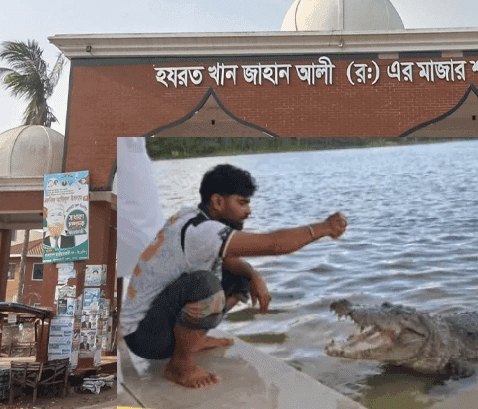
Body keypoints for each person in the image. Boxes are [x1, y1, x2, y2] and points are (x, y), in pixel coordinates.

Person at [121, 164, 347, 389]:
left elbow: (230, 260)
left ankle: (193, 340)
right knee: (204, 285)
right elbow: (274, 244)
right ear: (218, 202)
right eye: (242, 202)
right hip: (145, 338)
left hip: (155, 325)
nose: (248, 211)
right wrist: (323, 228)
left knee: (239, 274)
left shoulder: (191, 216)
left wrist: (253, 274)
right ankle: (179, 364)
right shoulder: (202, 231)